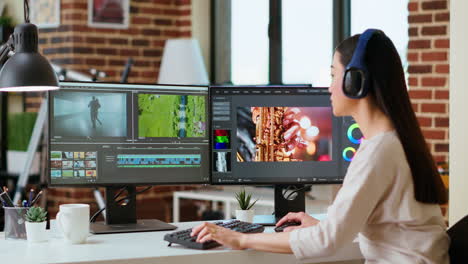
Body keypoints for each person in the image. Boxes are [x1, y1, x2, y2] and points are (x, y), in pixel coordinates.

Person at [191, 29, 450, 263]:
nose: (329, 86)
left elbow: (328, 241)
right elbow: (391, 228)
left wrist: (241, 239)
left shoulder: (379, 150)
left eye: (333, 75)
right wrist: (321, 226)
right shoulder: (395, 140)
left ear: (354, 82)